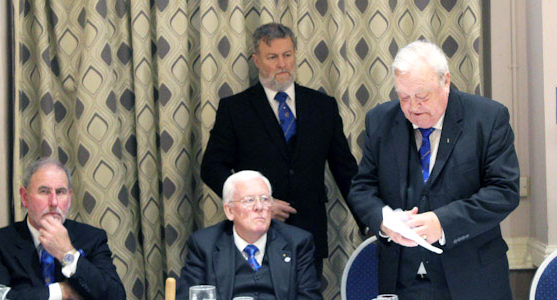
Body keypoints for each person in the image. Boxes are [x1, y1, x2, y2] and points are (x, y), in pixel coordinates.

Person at [347, 40, 520, 300]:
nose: (413, 107)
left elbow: (503, 191)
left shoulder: (488, 118)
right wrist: (385, 220)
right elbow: (362, 188)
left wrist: (442, 223)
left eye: (422, 96)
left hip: (472, 280)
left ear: (445, 81)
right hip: (401, 282)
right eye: (403, 97)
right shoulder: (380, 120)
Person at [201, 22, 363, 278]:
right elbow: (211, 168)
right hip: (256, 235)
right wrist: (256, 202)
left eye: (287, 55)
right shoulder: (235, 109)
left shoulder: (323, 107)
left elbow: (346, 171)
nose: (282, 64)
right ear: (256, 60)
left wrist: (371, 220)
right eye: (272, 57)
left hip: (309, 235)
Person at [0, 158, 126, 300]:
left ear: (69, 198)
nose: (53, 202)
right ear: (24, 197)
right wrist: (61, 291)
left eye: (60, 192)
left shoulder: (92, 238)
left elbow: (115, 295)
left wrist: (67, 253)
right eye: (44, 191)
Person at [177, 170, 322, 300]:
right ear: (229, 211)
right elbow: (186, 297)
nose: (259, 207)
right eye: (249, 200)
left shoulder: (297, 242)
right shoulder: (204, 244)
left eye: (265, 199)